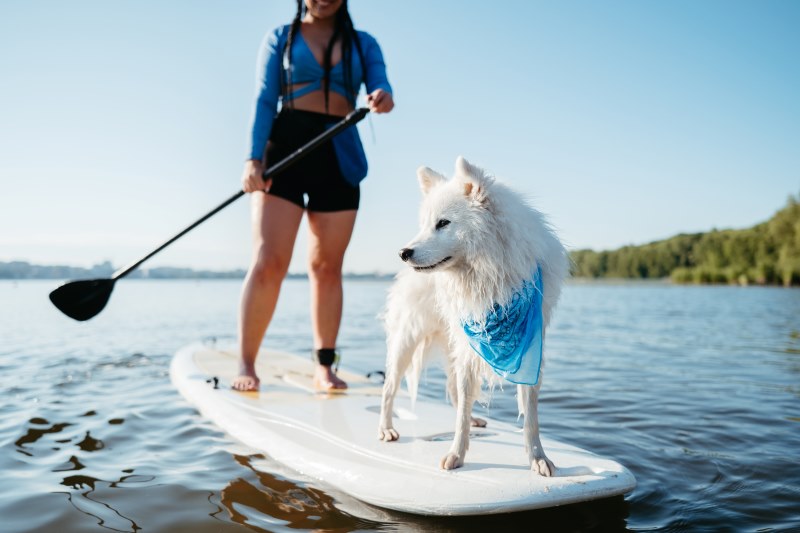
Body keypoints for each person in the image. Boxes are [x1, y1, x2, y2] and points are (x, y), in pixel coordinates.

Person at [233, 0, 394, 392]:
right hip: (285, 149)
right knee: (269, 261)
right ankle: (247, 363)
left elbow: (382, 85)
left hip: (338, 153)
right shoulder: (280, 38)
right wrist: (253, 158)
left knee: (326, 268)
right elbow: (263, 98)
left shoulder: (364, 43)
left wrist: (382, 96)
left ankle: (324, 366)